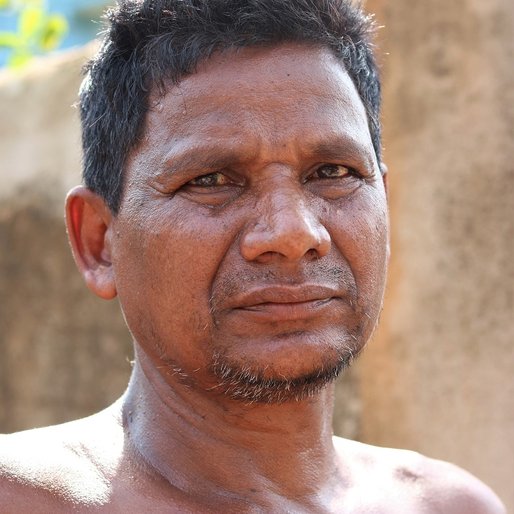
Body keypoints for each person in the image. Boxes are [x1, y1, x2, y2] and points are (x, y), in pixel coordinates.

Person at [0, 0, 506, 512]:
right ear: (99, 241)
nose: (292, 233)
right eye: (212, 180)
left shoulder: (450, 506)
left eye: (333, 173)